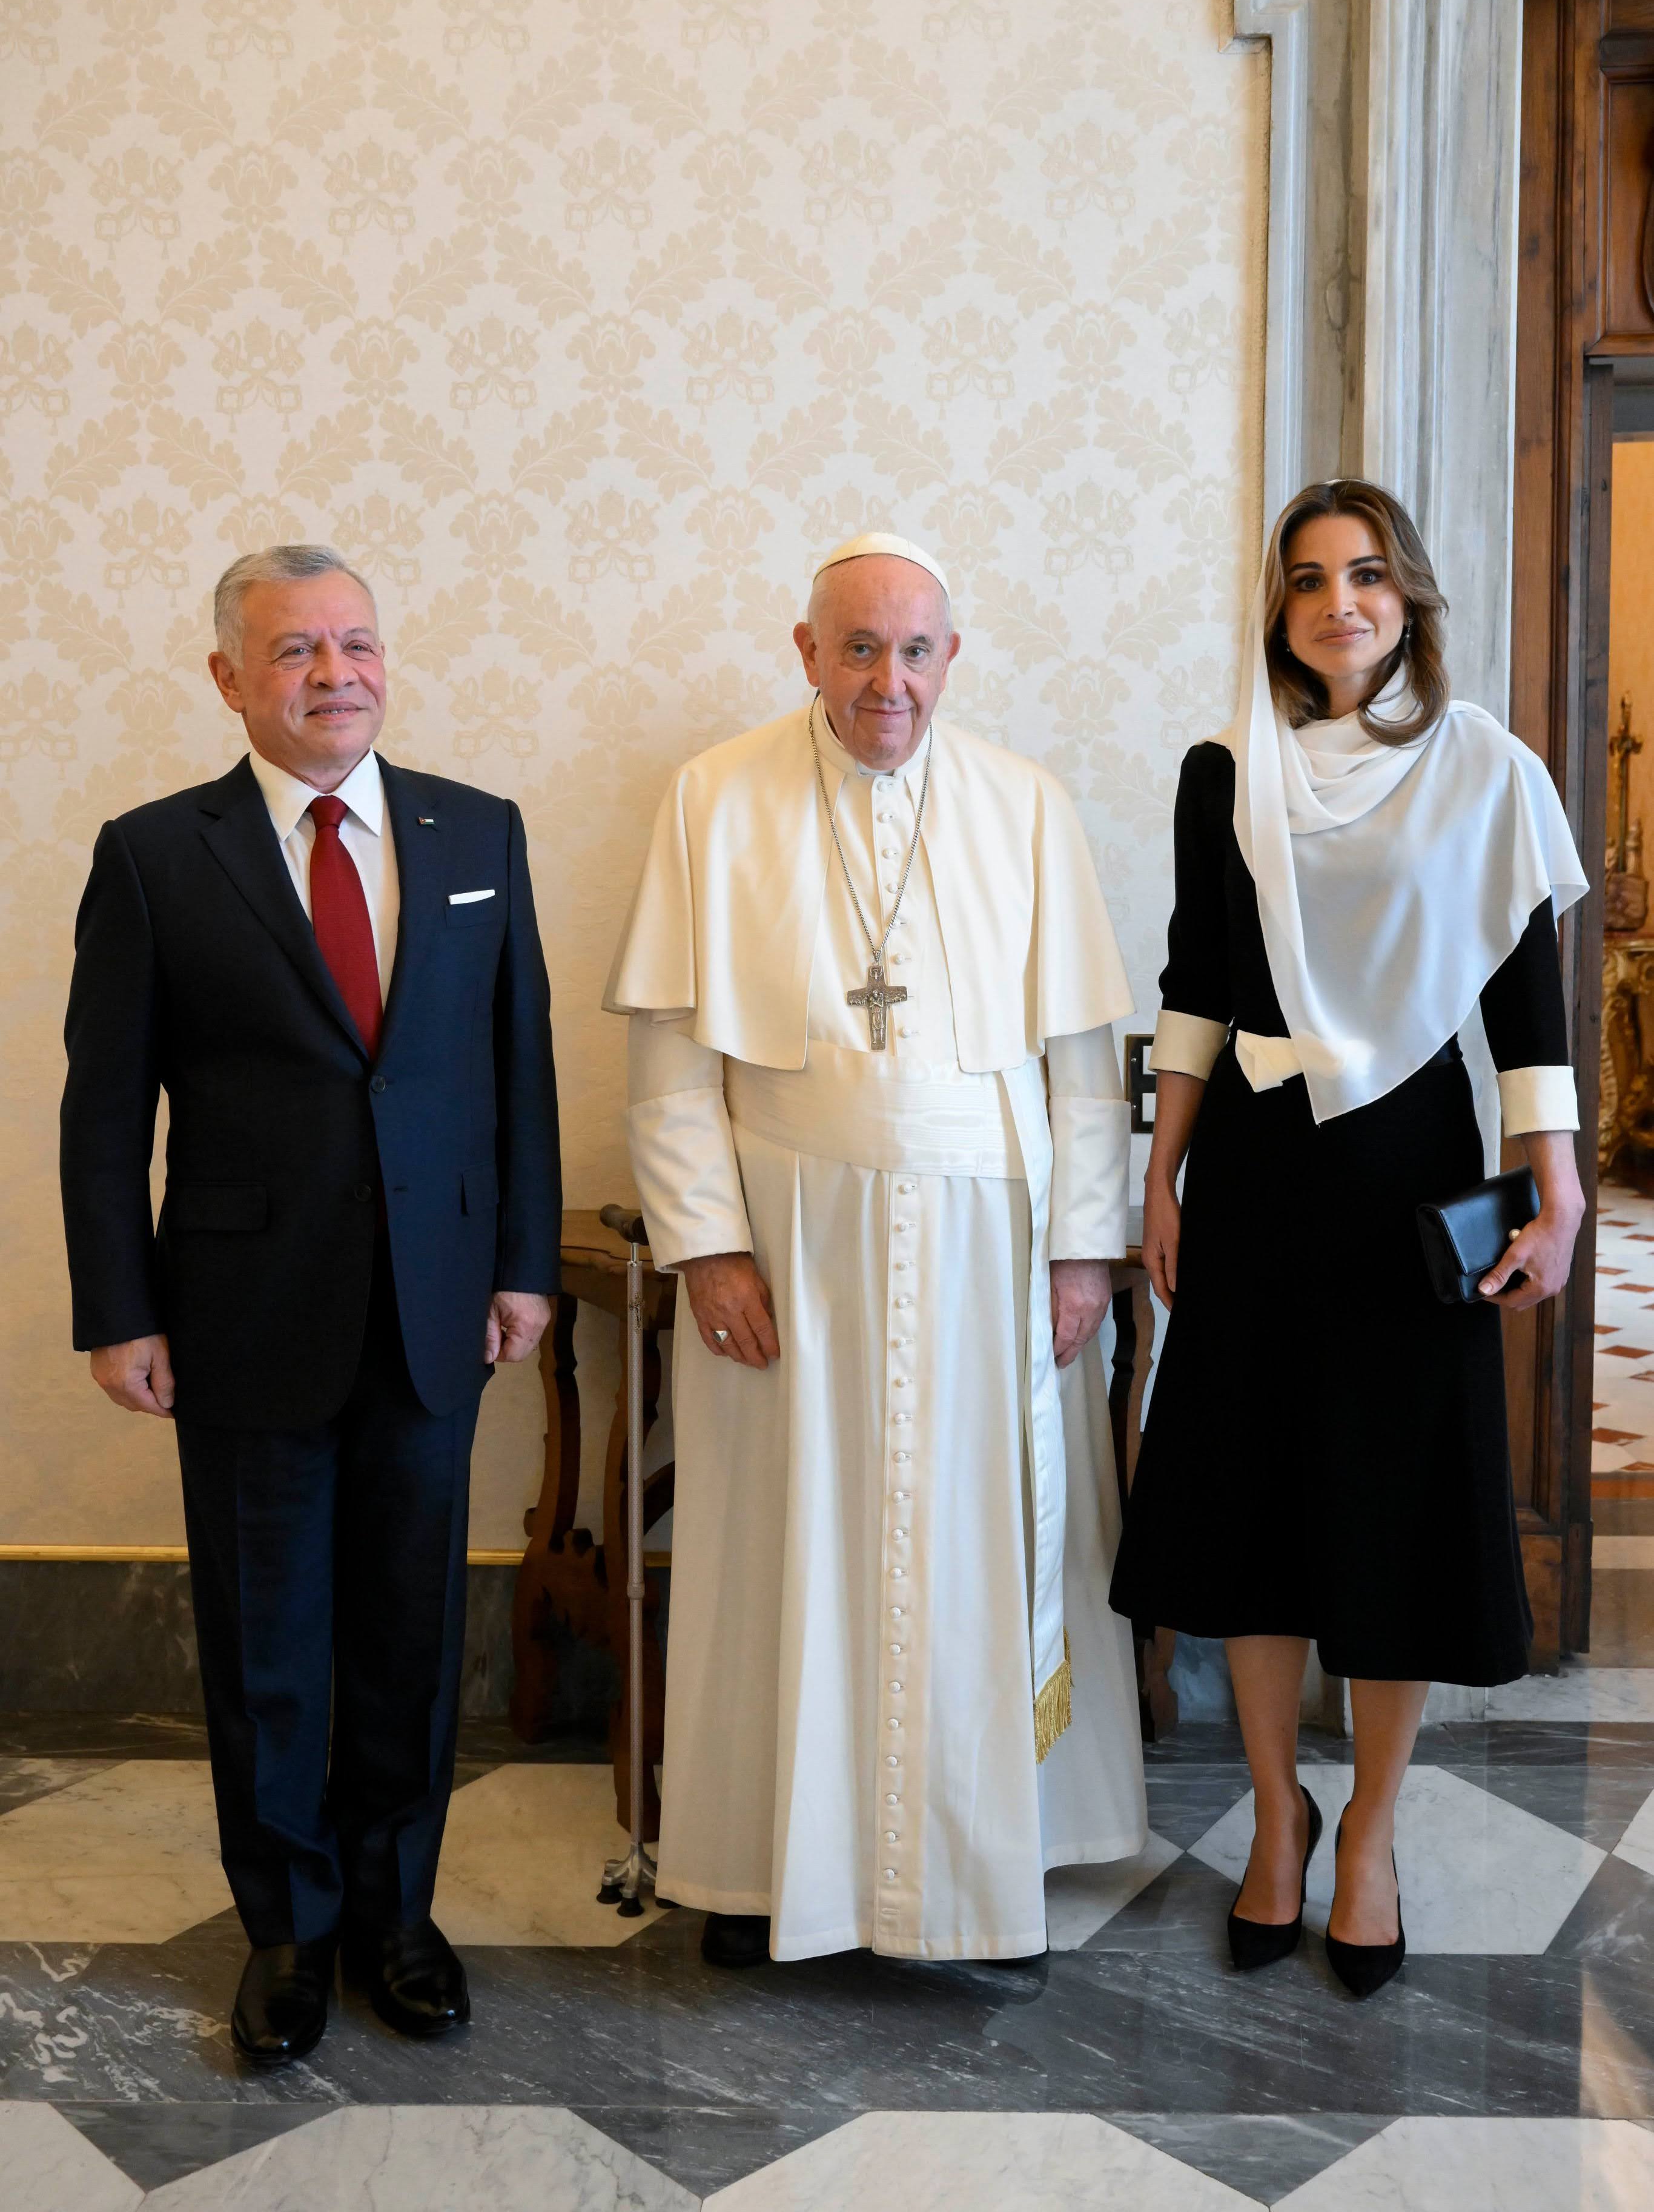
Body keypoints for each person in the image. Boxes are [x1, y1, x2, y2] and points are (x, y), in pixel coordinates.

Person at [604, 530, 1147, 1968]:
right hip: (792, 1244)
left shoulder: (1024, 804)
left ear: (951, 658)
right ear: (804, 651)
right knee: (787, 1542)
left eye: (914, 650)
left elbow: (1084, 1060)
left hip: (992, 1239)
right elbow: (668, 1056)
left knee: (982, 1536)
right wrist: (707, 1243)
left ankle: (989, 1861)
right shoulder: (713, 798)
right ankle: (766, 1861)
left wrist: (1082, 1252)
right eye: (857, 648)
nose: (886, 681)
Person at [59, 544, 561, 2063]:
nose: (334, 673)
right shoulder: (155, 853)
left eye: (356, 643)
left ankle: (396, 1920)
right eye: (294, 651)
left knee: (410, 1631)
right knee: (268, 1638)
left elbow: (515, 1067)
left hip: (434, 1305)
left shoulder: (477, 831)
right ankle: (286, 1927)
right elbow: (104, 1105)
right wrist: (115, 1307)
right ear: (229, 677)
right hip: (239, 1310)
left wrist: (522, 1262)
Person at [1110, 479, 1586, 1999]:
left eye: (1366, 575)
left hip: (1406, 1178)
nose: (1339, 602)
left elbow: (1522, 1006)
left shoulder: (1485, 774)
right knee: (1251, 1516)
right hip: (1252, 1171)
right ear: (1280, 608)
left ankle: (1368, 1831)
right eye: (1308, 578)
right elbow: (1194, 977)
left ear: (1408, 599)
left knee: (1396, 1512)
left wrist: (1556, 1180)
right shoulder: (1223, 770)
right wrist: (1161, 1172)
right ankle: (1275, 1814)